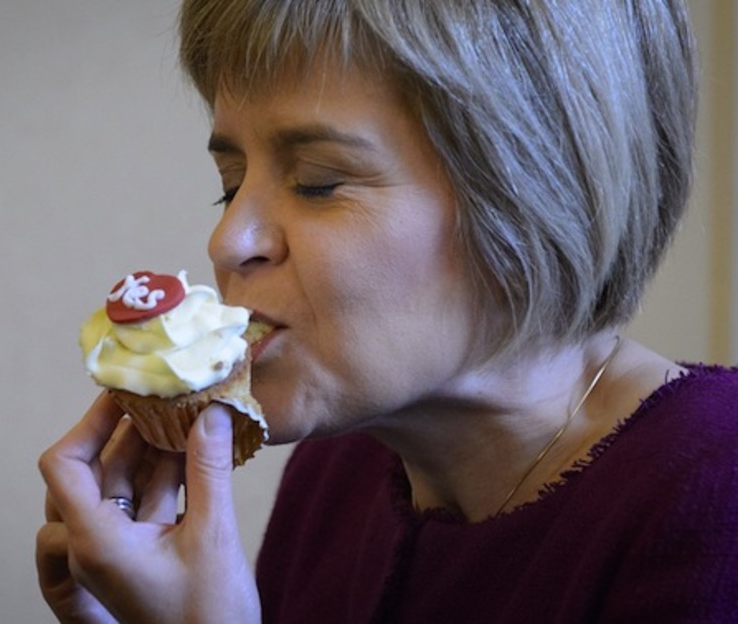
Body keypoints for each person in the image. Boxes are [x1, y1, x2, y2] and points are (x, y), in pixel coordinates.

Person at [36, 0, 738, 621]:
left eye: (317, 183)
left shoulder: (715, 498)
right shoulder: (335, 470)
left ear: (533, 197)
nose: (228, 242)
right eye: (230, 185)